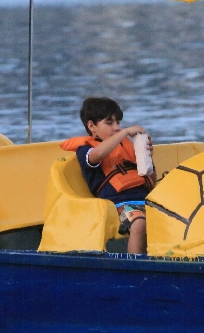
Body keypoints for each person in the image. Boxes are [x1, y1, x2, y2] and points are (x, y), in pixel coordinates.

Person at [61, 97, 155, 254]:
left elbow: (151, 181)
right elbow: (97, 155)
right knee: (139, 224)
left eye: (118, 123)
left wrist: (147, 158)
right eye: (109, 123)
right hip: (118, 205)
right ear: (92, 126)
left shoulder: (128, 147)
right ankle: (135, 269)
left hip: (147, 201)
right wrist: (125, 132)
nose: (117, 128)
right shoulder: (86, 150)